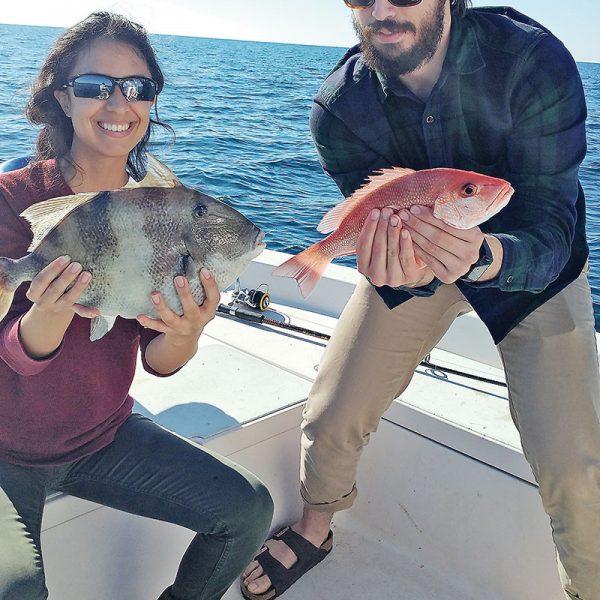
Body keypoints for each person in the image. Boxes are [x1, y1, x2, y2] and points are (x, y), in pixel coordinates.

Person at [242, 1, 599, 599]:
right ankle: (316, 524)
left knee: (578, 466)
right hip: (415, 265)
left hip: (530, 267)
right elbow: (372, 222)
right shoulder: (339, 108)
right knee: (332, 413)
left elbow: (555, 218)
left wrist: (488, 255)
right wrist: (396, 269)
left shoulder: (530, 60)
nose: (382, 7)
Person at [0, 11, 273, 600]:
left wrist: (189, 330)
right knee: (16, 587)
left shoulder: (159, 206)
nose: (117, 103)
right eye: (95, 86)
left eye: (137, 88)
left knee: (247, 511)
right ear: (63, 98)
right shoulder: (11, 200)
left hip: (104, 438)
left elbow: (160, 361)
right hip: (4, 451)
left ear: (151, 102)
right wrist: (42, 320)